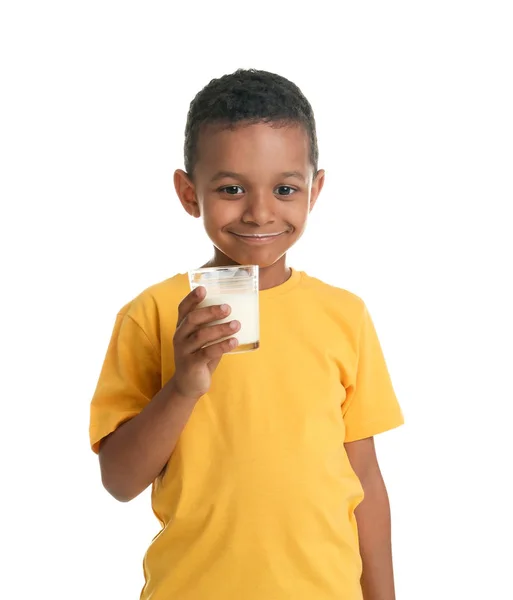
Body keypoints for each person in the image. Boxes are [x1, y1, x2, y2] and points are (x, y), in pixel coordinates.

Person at [89, 68, 404, 600]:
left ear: (315, 190)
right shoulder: (153, 314)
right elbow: (119, 482)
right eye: (231, 188)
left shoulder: (344, 315)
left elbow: (365, 480)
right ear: (190, 194)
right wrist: (184, 386)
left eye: (285, 188)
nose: (260, 212)